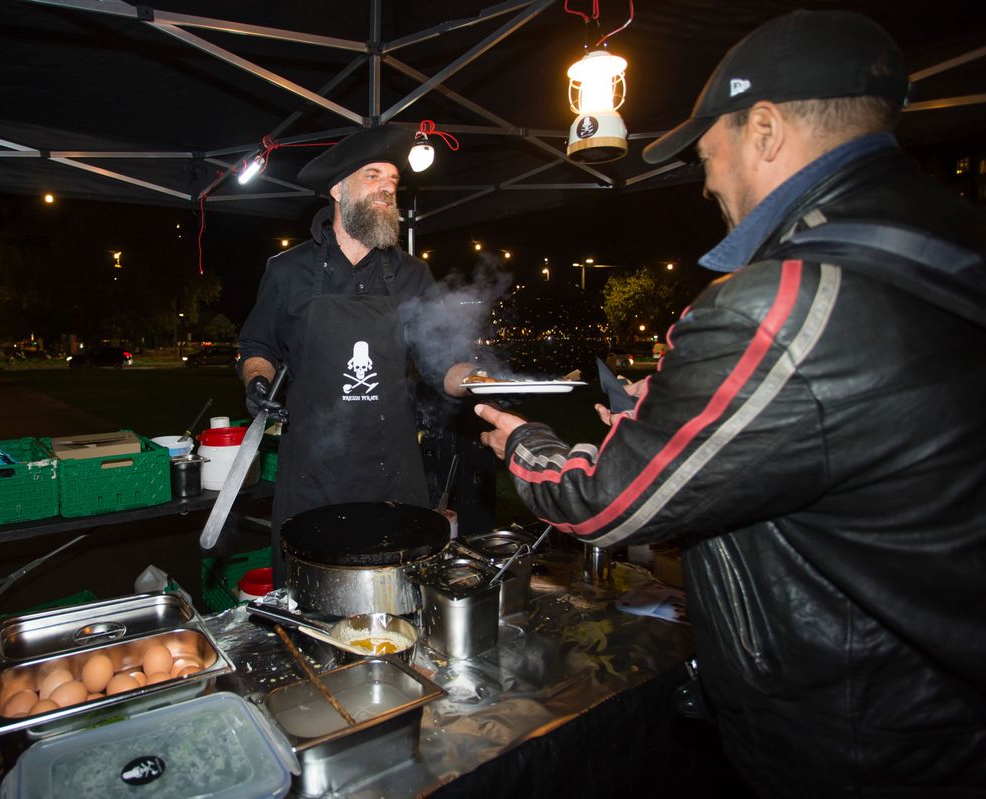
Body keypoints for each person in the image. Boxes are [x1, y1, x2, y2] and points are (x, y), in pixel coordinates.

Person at [476, 10, 985, 796]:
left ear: (767, 130)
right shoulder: (944, 240)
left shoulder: (781, 299)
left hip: (860, 744)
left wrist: (525, 444)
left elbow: (608, 501)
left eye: (708, 155)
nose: (707, 181)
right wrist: (684, 403)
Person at [238, 125, 474, 580]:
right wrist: (258, 380)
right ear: (338, 190)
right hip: (312, 472)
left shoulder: (413, 275)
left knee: (397, 599)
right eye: (373, 175)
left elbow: (440, 364)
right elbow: (258, 345)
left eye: (393, 179)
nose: (388, 186)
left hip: (393, 470)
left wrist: (480, 378)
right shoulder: (288, 271)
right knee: (310, 603)